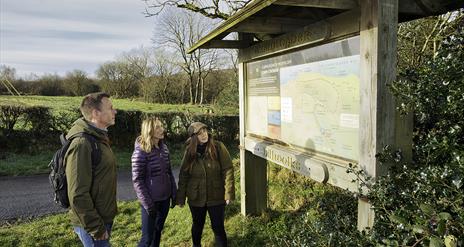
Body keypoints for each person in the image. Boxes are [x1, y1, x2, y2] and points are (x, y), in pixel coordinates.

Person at [65, 92, 118, 247]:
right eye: (110, 108)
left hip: (101, 218)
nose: (115, 111)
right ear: (96, 113)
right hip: (92, 224)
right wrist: (96, 227)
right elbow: (77, 194)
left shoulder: (98, 138)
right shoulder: (82, 144)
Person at [176, 122, 235, 247]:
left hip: (216, 195)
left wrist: (228, 193)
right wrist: (180, 198)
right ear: (193, 137)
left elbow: (228, 169)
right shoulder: (189, 152)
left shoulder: (218, 147)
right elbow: (183, 175)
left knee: (218, 227)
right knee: (197, 225)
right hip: (196, 196)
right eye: (199, 133)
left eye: (204, 131)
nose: (204, 135)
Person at [131, 117, 177, 247]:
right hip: (150, 202)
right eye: (157, 127)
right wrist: (148, 204)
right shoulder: (140, 151)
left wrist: (174, 193)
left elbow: (169, 173)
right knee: (147, 239)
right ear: (149, 130)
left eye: (161, 126)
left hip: (165, 200)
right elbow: (137, 180)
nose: (162, 129)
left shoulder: (164, 148)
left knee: (157, 233)